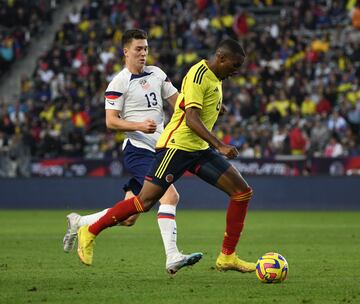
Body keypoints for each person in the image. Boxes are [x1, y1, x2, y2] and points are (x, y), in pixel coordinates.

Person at [77, 38, 256, 274]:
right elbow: (191, 118)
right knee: (144, 202)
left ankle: (227, 256)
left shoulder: (215, 76)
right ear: (221, 58)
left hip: (198, 149)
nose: (235, 72)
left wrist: (214, 107)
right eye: (234, 66)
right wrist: (220, 145)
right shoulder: (199, 74)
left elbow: (183, 102)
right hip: (176, 148)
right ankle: (90, 230)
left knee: (242, 193)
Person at [63, 29, 202, 274]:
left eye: (146, 49)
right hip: (138, 149)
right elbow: (111, 121)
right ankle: (172, 257)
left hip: (160, 148)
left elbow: (178, 102)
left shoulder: (158, 74)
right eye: (138, 49)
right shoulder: (118, 82)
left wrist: (199, 106)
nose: (143, 53)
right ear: (125, 52)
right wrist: (139, 125)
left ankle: (81, 222)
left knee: (130, 216)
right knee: (170, 197)